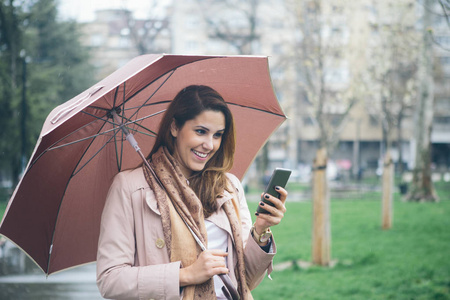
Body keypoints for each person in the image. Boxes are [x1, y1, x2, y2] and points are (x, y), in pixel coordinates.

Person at [96, 85, 288, 300]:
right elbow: (110, 280)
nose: (209, 144)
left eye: (218, 135)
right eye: (200, 131)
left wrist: (261, 230)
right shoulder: (130, 186)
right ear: (175, 127)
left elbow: (246, 281)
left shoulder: (228, 186)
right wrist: (185, 275)